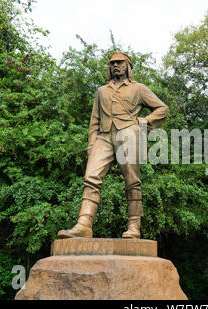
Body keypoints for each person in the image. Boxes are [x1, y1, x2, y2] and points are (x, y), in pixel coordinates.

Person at [57, 51, 169, 239]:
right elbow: (94, 120)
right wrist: (91, 144)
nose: (115, 65)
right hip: (104, 136)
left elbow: (162, 108)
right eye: (112, 63)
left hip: (128, 135)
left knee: (132, 181)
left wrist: (143, 123)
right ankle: (84, 224)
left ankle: (134, 226)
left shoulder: (138, 88)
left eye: (120, 62)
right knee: (91, 177)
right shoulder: (102, 91)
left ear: (127, 66)